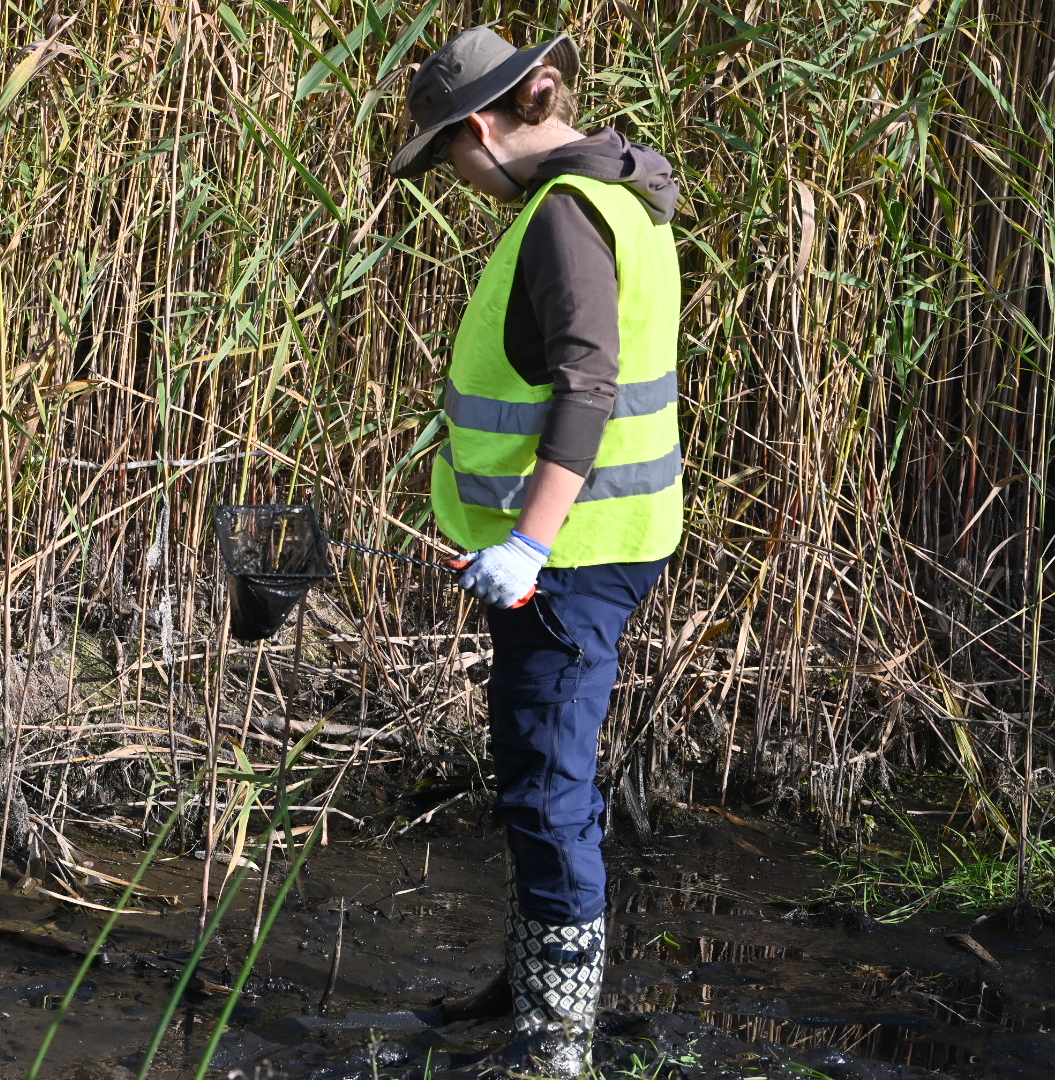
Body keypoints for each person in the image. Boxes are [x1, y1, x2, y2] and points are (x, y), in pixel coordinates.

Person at [388, 25, 684, 1079]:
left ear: (481, 128)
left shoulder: (563, 218)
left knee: (549, 784)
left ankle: (557, 1040)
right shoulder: (614, 193)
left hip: (576, 555)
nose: (452, 182)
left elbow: (588, 386)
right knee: (531, 767)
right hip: (601, 540)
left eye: (446, 161)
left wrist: (529, 540)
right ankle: (528, 985)